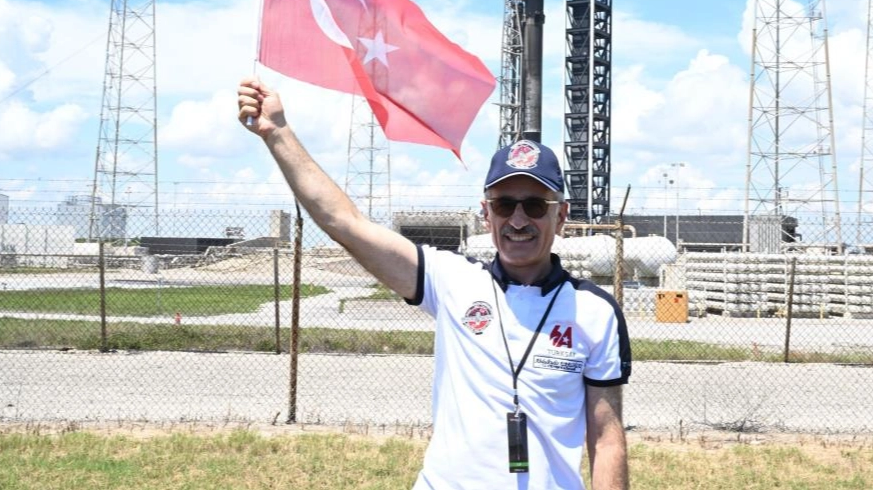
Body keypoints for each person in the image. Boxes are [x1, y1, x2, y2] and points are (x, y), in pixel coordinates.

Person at [237, 77, 631, 489]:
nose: (517, 220)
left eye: (534, 205)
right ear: (486, 214)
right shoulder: (451, 281)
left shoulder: (594, 312)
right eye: (503, 205)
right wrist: (277, 132)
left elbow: (606, 440)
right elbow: (345, 223)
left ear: (560, 215)